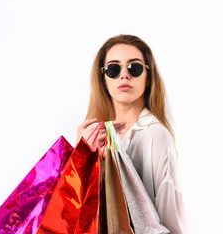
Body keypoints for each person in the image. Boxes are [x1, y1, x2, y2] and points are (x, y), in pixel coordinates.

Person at [76, 34, 187, 234]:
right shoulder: (93, 135)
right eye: (113, 69)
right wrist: (80, 155)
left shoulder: (155, 135)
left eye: (134, 68)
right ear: (104, 80)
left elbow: (171, 222)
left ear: (148, 79)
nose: (124, 75)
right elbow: (73, 211)